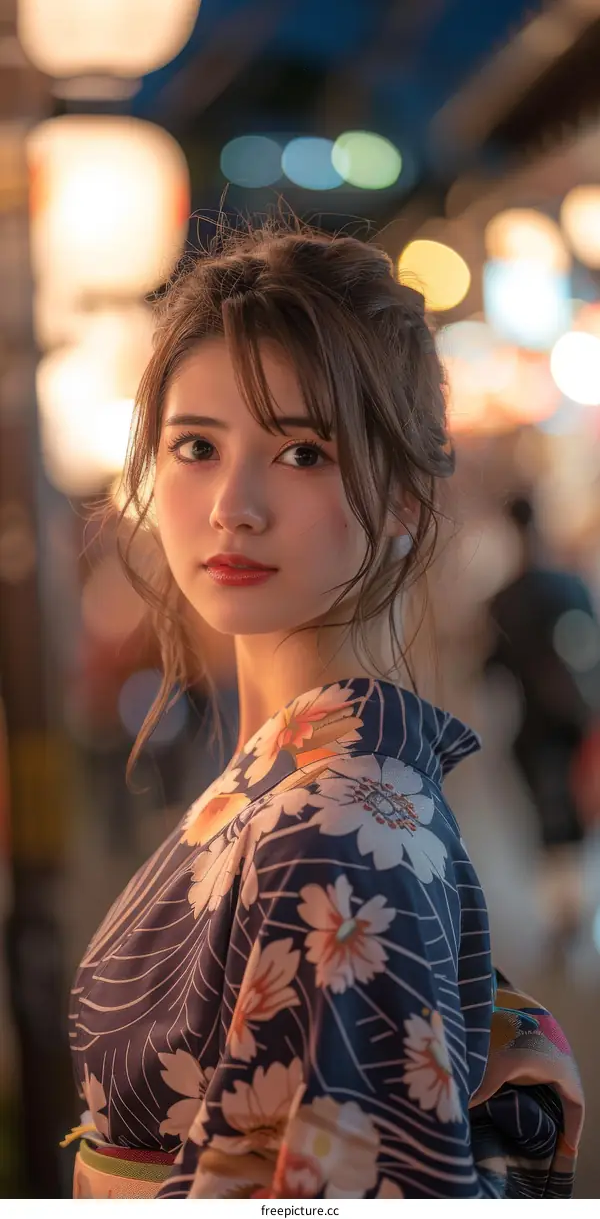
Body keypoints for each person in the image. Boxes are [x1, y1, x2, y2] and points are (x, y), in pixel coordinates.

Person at [63, 223, 583, 1199]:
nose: (234, 504)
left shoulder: (334, 828)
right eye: (196, 446)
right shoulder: (300, 776)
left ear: (405, 500)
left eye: (303, 451)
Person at [485, 495, 599, 946]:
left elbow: (491, 670)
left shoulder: (504, 599)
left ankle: (566, 911)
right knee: (574, 813)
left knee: (551, 817)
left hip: (534, 729)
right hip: (578, 721)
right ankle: (575, 907)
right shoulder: (570, 585)